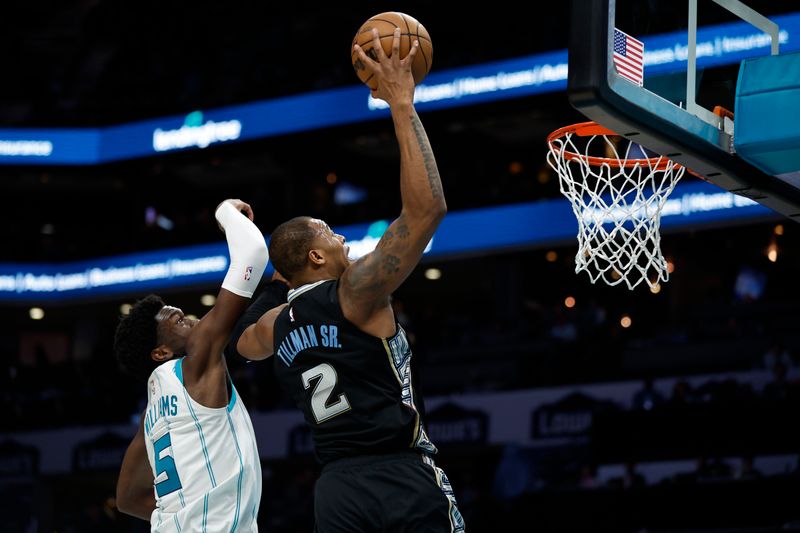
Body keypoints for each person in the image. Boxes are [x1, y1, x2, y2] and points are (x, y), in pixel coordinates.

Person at [229, 28, 464, 533]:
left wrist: (274, 276)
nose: (341, 238)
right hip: (399, 475)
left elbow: (238, 340)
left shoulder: (273, 326)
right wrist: (402, 103)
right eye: (329, 233)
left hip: (336, 490)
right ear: (316, 256)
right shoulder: (355, 291)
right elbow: (427, 210)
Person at [113, 199, 269, 532]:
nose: (196, 322)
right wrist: (225, 211)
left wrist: (182, 515)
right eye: (181, 321)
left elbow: (127, 499)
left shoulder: (150, 414)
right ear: (161, 352)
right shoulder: (194, 365)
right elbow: (254, 254)